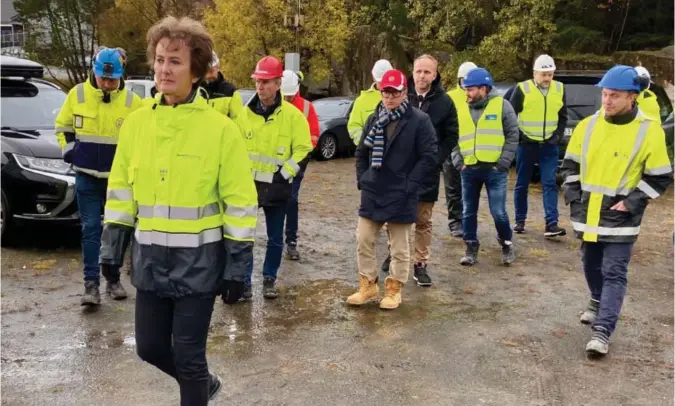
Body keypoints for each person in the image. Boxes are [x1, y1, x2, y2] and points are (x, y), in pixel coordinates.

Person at [99, 16, 258, 404]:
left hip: (200, 266)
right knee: (149, 348)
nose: (164, 69)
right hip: (150, 262)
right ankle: (205, 385)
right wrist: (111, 247)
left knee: (188, 359)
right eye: (159, 60)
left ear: (196, 70)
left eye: (175, 61)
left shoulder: (220, 130)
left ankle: (197, 384)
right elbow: (121, 192)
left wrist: (238, 267)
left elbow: (239, 201)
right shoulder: (136, 125)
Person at [560, 65, 672, 357]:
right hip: (589, 215)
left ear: (632, 97)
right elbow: (569, 166)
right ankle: (596, 300)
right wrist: (573, 195)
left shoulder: (649, 131)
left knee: (614, 271)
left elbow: (659, 176)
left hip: (622, 218)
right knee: (590, 264)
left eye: (614, 96)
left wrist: (633, 202)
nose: (606, 101)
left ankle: (602, 331)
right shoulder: (588, 126)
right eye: (605, 94)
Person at [55, 47, 142, 306]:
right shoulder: (77, 95)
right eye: (104, 79)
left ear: (120, 76)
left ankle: (113, 280)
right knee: (91, 229)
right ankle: (90, 285)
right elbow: (63, 127)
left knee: (116, 231)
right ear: (94, 72)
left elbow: (141, 138)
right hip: (86, 176)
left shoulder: (132, 102)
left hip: (118, 180)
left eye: (112, 79)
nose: (107, 84)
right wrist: (71, 152)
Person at [348, 69, 437, 310]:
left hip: (402, 192)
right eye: (385, 92)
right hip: (373, 189)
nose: (389, 98)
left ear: (404, 92)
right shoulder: (374, 118)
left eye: (394, 93)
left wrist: (411, 185)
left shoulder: (419, 120)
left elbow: (429, 157)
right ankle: (368, 285)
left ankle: (394, 289)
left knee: (399, 247)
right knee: (363, 239)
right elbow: (361, 153)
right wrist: (362, 179)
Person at [379, 55, 458, 286]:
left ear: (435, 74)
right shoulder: (402, 95)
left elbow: (452, 134)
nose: (422, 76)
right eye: (418, 71)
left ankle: (420, 264)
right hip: (399, 171)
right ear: (412, 72)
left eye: (427, 72)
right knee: (395, 215)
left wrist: (435, 159)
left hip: (427, 172)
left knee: (422, 220)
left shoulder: (445, 102)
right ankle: (394, 253)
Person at [238, 56, 313, 300]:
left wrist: (285, 173)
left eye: (266, 82)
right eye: (258, 81)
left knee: (274, 239)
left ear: (278, 83)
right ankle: (245, 283)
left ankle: (269, 279)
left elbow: (303, 148)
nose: (260, 86)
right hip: (248, 188)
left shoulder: (292, 117)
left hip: (277, 188)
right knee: (244, 238)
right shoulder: (243, 115)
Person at [450, 67, 519, 266]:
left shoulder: (502, 105)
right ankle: (471, 247)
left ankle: (506, 243)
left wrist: (503, 163)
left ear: (483, 89)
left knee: (498, 212)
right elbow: (453, 136)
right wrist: (459, 162)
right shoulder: (461, 109)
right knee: (468, 211)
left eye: (470, 89)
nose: (466, 93)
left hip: (495, 170)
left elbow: (513, 134)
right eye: (465, 89)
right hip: (469, 169)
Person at [509, 54, 568, 237]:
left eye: (550, 75)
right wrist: (519, 137)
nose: (547, 79)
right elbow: (510, 114)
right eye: (543, 74)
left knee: (550, 183)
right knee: (521, 183)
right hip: (527, 145)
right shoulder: (522, 89)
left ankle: (552, 224)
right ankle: (520, 221)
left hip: (549, 145)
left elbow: (563, 115)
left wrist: (557, 136)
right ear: (535, 73)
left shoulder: (559, 88)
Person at [280, 69, 320, 261]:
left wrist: (301, 156)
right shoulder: (274, 104)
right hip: (276, 161)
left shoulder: (305, 107)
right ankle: (276, 239)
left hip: (297, 162)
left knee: (291, 199)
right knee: (275, 200)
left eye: (289, 94)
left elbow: (313, 136)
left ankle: (291, 242)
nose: (287, 97)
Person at [443, 61, 477, 237]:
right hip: (452, 148)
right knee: (453, 186)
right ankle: (455, 220)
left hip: (472, 150)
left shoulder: (481, 96)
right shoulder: (449, 97)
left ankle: (469, 219)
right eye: (465, 80)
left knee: (471, 188)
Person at [347, 59, 394, 145]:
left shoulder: (399, 96)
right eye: (380, 81)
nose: (383, 84)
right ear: (374, 77)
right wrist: (365, 144)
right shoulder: (361, 101)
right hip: (370, 153)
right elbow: (354, 126)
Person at [203, 51, 244, 120]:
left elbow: (239, 122)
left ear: (217, 68)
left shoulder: (230, 92)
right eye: (204, 72)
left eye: (211, 71)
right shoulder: (193, 90)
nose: (207, 76)